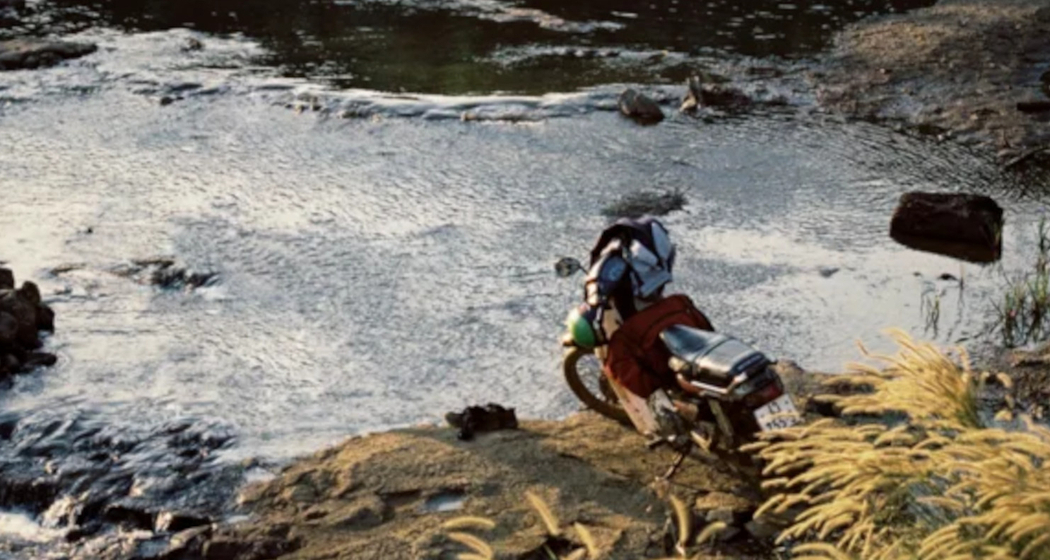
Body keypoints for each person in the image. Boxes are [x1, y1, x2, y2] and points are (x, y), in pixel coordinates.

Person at [565, 217, 714, 446]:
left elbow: (596, 295)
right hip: (663, 310)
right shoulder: (654, 250)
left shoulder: (610, 265)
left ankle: (662, 423)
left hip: (637, 321)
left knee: (622, 359)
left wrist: (592, 308)